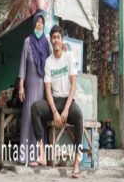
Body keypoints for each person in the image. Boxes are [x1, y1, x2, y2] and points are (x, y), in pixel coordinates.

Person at [31, 25, 83, 178]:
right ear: (51, 40)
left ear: (62, 40)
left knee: (79, 116)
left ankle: (76, 163)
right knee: (35, 108)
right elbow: (47, 90)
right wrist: (54, 111)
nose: (55, 40)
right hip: (54, 102)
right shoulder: (49, 62)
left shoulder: (69, 57)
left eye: (58, 37)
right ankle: (41, 155)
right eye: (53, 37)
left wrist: (66, 110)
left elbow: (73, 84)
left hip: (67, 102)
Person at [18, 12, 51, 166]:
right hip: (29, 85)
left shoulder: (47, 44)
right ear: (34, 24)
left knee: (40, 120)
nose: (39, 24)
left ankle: (39, 156)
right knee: (28, 119)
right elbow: (23, 65)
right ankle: (25, 156)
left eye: (41, 22)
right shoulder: (26, 42)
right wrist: (20, 86)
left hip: (43, 88)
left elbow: (52, 63)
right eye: (37, 22)